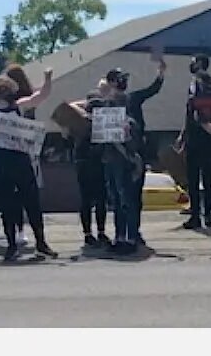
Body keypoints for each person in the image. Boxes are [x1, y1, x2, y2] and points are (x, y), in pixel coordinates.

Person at [0, 72, 58, 261]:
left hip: (21, 161)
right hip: (1, 164)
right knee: (7, 205)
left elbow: (40, 96)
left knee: (32, 203)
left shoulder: (19, 107)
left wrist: (46, 78)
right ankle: (11, 245)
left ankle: (41, 242)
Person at [105, 60, 166, 242]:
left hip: (135, 156)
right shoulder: (105, 104)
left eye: (124, 78)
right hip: (113, 157)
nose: (123, 82)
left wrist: (161, 73)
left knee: (134, 197)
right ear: (111, 83)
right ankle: (120, 235)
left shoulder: (133, 98)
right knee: (117, 199)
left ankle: (133, 234)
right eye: (119, 79)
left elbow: (152, 89)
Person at [100, 86, 146, 255]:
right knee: (116, 202)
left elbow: (135, 146)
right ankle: (120, 237)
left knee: (128, 202)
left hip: (125, 166)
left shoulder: (130, 123)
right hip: (110, 164)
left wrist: (124, 136)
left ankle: (131, 238)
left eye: (112, 104)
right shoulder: (103, 123)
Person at [179, 66, 211, 230]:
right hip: (195, 141)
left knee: (205, 180)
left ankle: (205, 215)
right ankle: (197, 215)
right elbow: (188, 117)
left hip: (206, 141)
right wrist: (182, 137)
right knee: (195, 181)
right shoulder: (192, 98)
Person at [71, 80, 113, 247]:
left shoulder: (99, 123)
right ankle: (92, 233)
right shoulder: (80, 124)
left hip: (93, 162)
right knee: (93, 200)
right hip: (89, 162)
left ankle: (96, 232)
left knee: (92, 200)